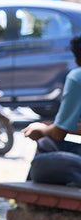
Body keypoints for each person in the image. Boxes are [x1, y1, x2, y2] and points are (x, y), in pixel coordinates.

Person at [23, 35, 81, 184]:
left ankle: (28, 201)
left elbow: (58, 134)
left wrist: (42, 129)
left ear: (76, 60)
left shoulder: (77, 77)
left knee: (46, 144)